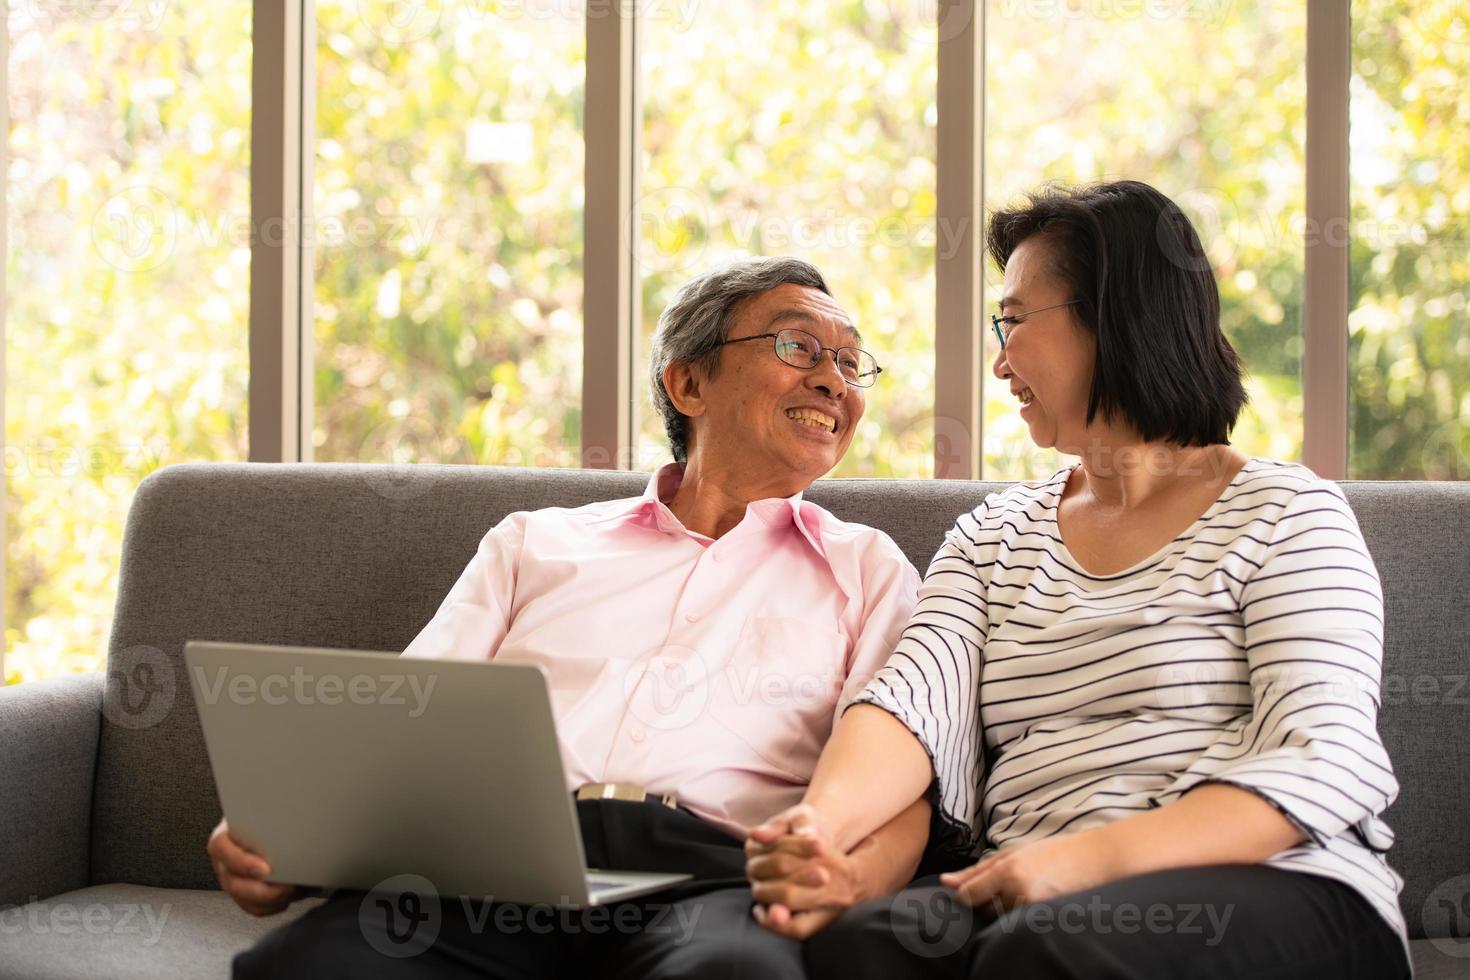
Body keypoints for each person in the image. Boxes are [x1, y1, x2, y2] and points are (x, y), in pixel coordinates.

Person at [744, 181, 1411, 979]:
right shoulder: (993, 536)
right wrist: (816, 829)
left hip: (1281, 886)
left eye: (1015, 320)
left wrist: (1083, 863)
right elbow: (910, 704)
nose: (999, 362)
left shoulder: (1287, 513)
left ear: (1116, 315)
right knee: (860, 948)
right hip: (1032, 887)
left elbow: (1323, 756)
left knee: (1045, 952)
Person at [210, 256, 931, 978]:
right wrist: (285, 837)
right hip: (491, 870)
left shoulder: (869, 569)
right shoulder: (535, 541)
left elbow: (904, 779)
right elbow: (403, 722)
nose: (833, 380)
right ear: (688, 382)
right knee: (305, 966)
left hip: (717, 879)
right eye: (798, 347)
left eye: (849, 361)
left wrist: (851, 878)